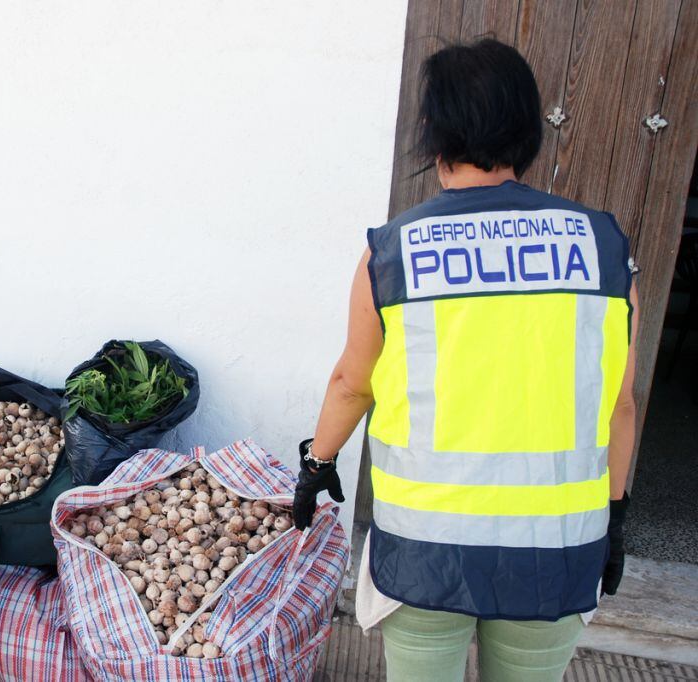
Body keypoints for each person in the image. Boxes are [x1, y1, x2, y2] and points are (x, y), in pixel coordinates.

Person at [293, 39, 637, 682]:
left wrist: (316, 463)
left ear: (434, 133)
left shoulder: (393, 253)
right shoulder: (602, 247)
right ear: (528, 130)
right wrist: (615, 513)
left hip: (426, 555)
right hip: (555, 551)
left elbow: (351, 384)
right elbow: (619, 399)